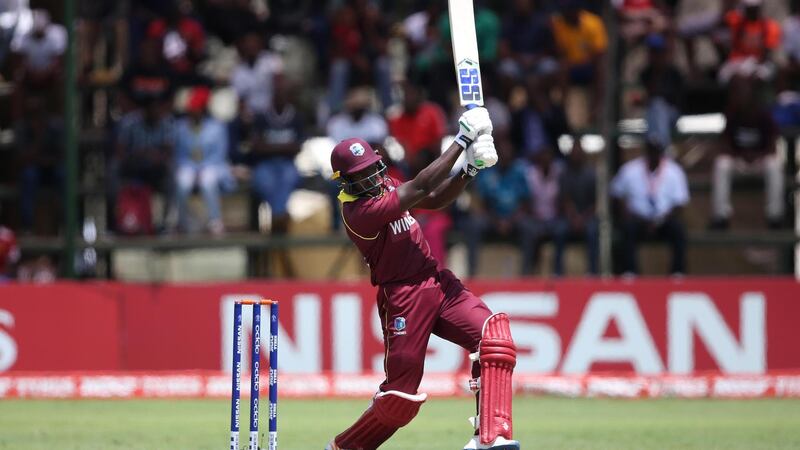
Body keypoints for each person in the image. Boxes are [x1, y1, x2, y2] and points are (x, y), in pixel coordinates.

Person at [325, 108, 519, 450]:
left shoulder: (384, 185)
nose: (372, 176)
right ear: (346, 182)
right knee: (400, 399)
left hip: (436, 281)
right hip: (403, 296)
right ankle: (344, 447)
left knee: (494, 338)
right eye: (362, 174)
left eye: (373, 168)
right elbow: (423, 184)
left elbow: (432, 197)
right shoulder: (359, 213)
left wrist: (471, 169)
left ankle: (490, 437)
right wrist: (461, 141)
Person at [710, 75, 784, 229]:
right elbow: (724, 143)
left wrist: (757, 156)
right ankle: (721, 216)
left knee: (774, 165)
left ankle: (774, 216)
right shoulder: (732, 113)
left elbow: (773, 145)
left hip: (759, 161)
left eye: (744, 92)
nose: (741, 96)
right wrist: (739, 156)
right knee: (721, 164)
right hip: (739, 161)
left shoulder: (763, 114)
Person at [611, 139, 689, 275]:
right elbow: (615, 194)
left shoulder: (674, 171)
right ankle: (630, 272)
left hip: (664, 219)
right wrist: (627, 212)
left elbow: (680, 203)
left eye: (656, 151)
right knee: (627, 228)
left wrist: (661, 220)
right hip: (638, 219)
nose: (653, 155)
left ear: (661, 152)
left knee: (678, 229)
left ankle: (677, 272)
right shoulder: (630, 169)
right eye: (650, 151)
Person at [463, 133, 536, 277]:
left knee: (530, 228)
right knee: (473, 225)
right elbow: (482, 204)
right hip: (493, 219)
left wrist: (510, 221)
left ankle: (527, 274)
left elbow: (526, 203)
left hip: (514, 219)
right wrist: (497, 221)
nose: (505, 155)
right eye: (502, 152)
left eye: (508, 152)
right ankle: (472, 273)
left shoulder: (520, 171)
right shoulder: (487, 171)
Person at [173, 86, 231, 235]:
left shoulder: (217, 127)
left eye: (197, 109)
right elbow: (178, 155)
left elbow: (219, 155)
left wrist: (201, 168)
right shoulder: (180, 127)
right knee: (182, 182)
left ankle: (215, 221)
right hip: (188, 166)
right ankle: (182, 222)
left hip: (212, 166)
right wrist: (193, 168)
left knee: (207, 180)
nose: (193, 112)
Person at [554, 139, 598, 275]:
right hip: (569, 217)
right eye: (574, 153)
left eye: (579, 153)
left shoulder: (591, 175)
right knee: (559, 230)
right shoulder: (564, 174)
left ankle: (592, 271)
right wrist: (574, 218)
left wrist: (582, 219)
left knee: (593, 231)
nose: (576, 156)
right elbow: (565, 200)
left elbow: (594, 203)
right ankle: (558, 272)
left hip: (587, 216)